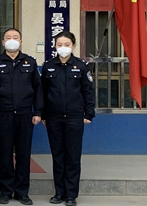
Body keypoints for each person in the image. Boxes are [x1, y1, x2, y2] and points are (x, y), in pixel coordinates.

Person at [0, 28, 43, 206]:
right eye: (8, 37)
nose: (12, 40)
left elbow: (38, 89)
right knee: (4, 155)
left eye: (15, 37)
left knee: (24, 155)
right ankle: (5, 191)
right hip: (4, 115)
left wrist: (38, 112)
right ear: (3, 42)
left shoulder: (30, 62)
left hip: (25, 115)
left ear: (21, 41)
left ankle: (22, 192)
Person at [42, 31, 95, 206]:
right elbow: (43, 93)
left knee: (72, 156)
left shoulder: (81, 66)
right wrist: (43, 114)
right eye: (59, 44)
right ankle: (59, 193)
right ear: (55, 46)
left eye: (67, 44)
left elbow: (88, 91)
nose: (63, 48)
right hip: (54, 118)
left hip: (74, 117)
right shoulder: (48, 66)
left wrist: (88, 113)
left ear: (73, 46)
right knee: (58, 156)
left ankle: (71, 195)